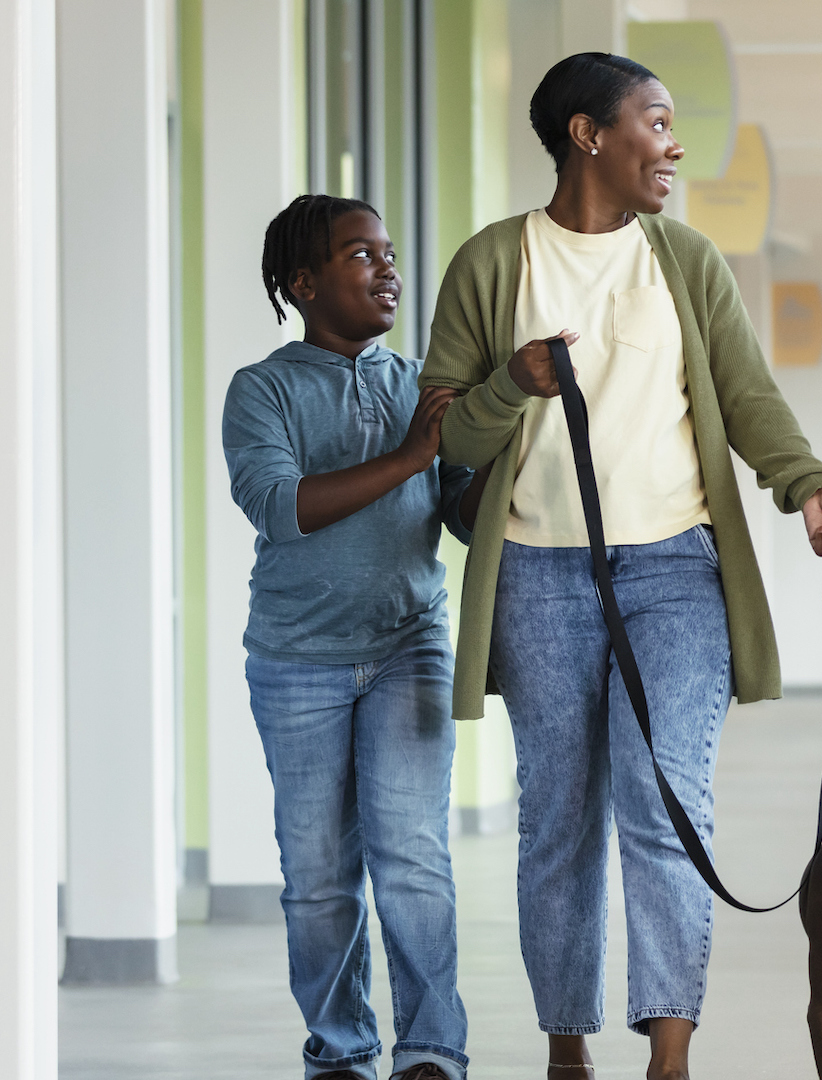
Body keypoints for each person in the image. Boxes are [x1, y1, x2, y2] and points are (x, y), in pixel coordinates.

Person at [419, 53, 822, 1080]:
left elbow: (747, 397)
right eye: (655, 123)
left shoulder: (687, 259)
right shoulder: (493, 264)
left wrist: (809, 485)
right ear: (587, 135)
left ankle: (670, 1053)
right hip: (534, 572)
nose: (671, 146)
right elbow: (448, 438)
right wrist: (516, 383)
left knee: (665, 802)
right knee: (558, 822)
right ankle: (566, 1046)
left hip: (673, 570)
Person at [225, 194, 482, 1080]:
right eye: (360, 255)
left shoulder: (420, 381)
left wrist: (505, 459)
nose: (387, 269)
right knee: (319, 879)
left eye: (389, 252)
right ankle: (340, 1052)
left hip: (410, 643)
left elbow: (458, 510)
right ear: (302, 283)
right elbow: (282, 507)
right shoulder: (262, 390)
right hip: (297, 661)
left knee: (411, 858)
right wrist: (413, 456)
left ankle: (431, 1051)